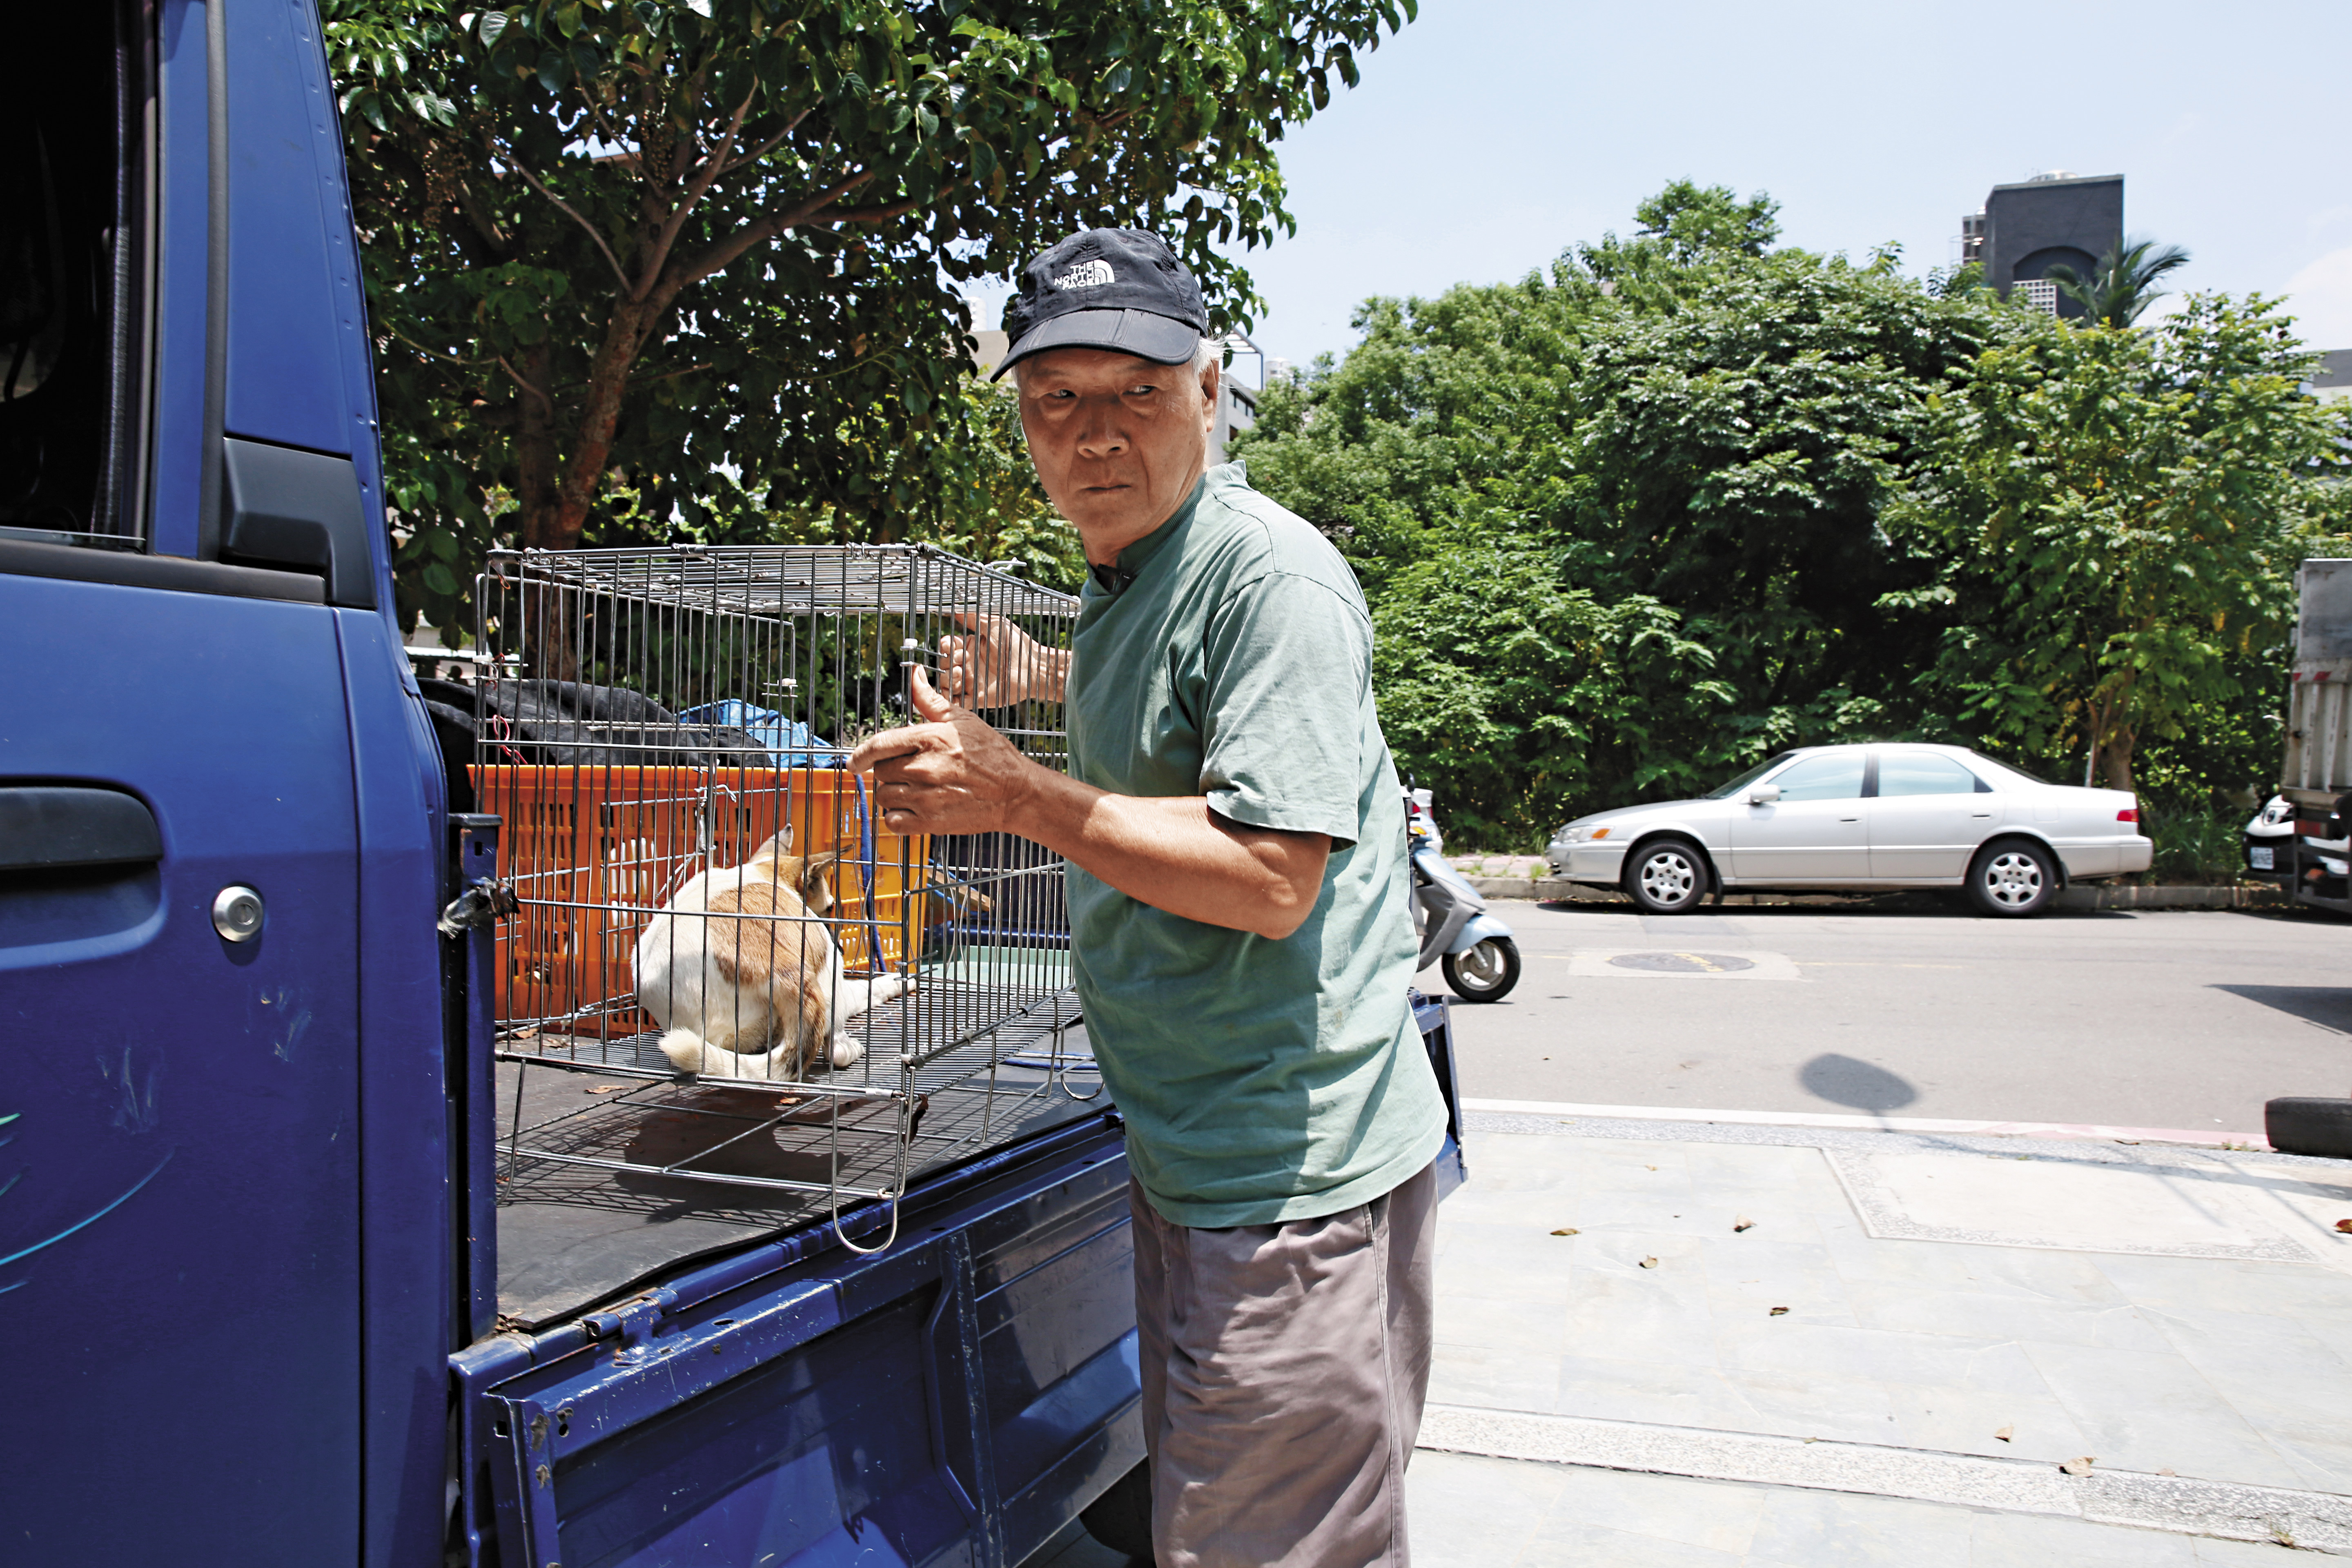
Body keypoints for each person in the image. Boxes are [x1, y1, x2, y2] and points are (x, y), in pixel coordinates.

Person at [849, 227, 1447, 1568]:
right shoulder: (1133, 576)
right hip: (1194, 1153)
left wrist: (1019, 797)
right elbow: (1188, 713)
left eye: (1139, 392)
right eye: (1058, 399)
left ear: (1212, 389)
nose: (1097, 436)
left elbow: (1272, 877)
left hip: (1286, 1178)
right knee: (1211, 1529)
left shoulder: (1271, 580)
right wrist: (1041, 677)